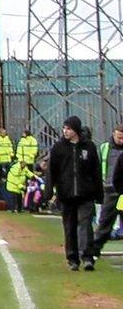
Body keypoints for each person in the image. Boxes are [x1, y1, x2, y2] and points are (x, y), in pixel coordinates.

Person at [42, 116, 105, 271]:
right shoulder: (58, 148)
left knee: (85, 224)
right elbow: (52, 171)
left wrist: (99, 193)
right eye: (64, 128)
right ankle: (72, 258)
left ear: (76, 130)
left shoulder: (89, 147)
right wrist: (49, 192)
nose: (65, 131)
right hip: (66, 194)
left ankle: (88, 257)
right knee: (69, 227)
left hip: (86, 194)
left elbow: (95, 171)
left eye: (69, 128)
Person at [92, 124, 123, 261]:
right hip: (110, 189)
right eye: (119, 137)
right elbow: (97, 168)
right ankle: (93, 251)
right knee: (105, 223)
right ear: (114, 134)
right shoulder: (104, 148)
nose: (121, 140)